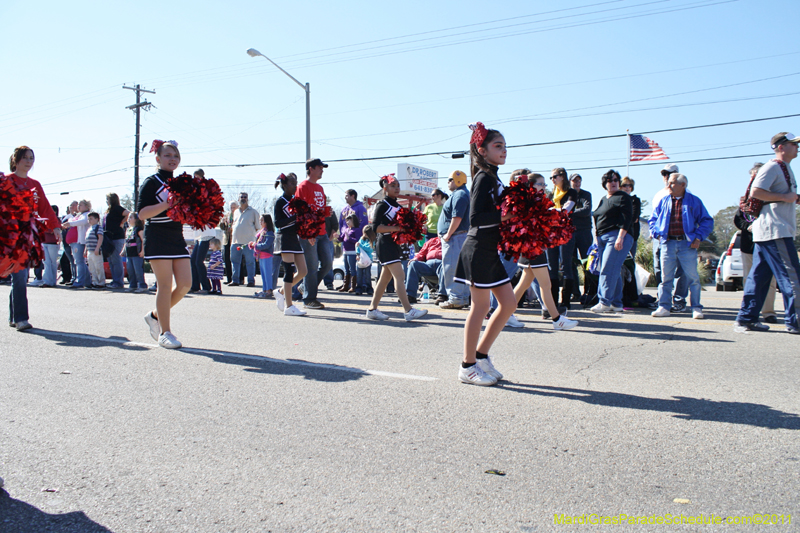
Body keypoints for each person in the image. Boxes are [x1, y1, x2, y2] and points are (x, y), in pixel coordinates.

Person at [454, 123, 518, 386]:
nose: (504, 150)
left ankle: (481, 356)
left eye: (505, 145)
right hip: (478, 247)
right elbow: (476, 217)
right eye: (498, 146)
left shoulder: (494, 175)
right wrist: (507, 216)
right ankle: (467, 366)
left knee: (509, 304)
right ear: (482, 150)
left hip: (489, 248)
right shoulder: (483, 177)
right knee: (480, 306)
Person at [735, 132, 800, 333]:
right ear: (780, 147)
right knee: (792, 277)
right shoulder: (772, 167)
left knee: (759, 278)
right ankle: (796, 321)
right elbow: (756, 191)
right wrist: (786, 197)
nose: (797, 147)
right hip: (775, 230)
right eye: (793, 144)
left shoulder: (784, 167)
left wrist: (791, 198)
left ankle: (747, 318)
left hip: (769, 231)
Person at [138, 140, 192, 349]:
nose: (173, 159)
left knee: (186, 284)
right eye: (168, 155)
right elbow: (142, 213)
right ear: (158, 158)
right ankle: (165, 332)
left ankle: (154, 315)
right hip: (157, 236)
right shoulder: (151, 182)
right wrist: (167, 204)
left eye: (176, 156)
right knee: (165, 285)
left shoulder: (180, 183)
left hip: (176, 237)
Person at [5, 146, 61, 331]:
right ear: (16, 160)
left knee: (20, 276)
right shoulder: (5, 181)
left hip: (25, 237)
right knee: (17, 276)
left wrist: (55, 227)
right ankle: (16, 316)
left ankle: (20, 318)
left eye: (31, 158)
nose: (29, 161)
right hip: (6, 236)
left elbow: (44, 208)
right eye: (25, 158)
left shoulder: (35, 184)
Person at [513, 173, 578, 331]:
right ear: (531, 185)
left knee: (524, 284)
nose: (544, 186)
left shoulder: (532, 200)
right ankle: (557, 319)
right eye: (540, 184)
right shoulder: (530, 201)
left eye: (543, 184)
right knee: (545, 284)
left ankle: (504, 313)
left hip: (531, 247)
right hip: (532, 248)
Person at [649, 173, 714, 319]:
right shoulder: (664, 201)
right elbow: (653, 219)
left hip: (687, 245)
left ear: (682, 185)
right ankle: (664, 306)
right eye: (669, 182)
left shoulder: (694, 201)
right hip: (667, 243)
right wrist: (656, 233)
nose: (669, 185)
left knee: (693, 278)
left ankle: (696, 308)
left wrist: (698, 237)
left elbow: (707, 221)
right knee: (666, 278)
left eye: (672, 183)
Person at [365, 175, 428, 322]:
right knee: (400, 276)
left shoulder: (399, 206)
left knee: (384, 279)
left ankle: (372, 309)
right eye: (393, 185)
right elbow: (375, 228)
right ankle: (408, 310)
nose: (397, 188)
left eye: (398, 185)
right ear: (385, 188)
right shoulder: (382, 205)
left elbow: (404, 227)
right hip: (384, 243)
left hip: (394, 244)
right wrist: (397, 227)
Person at [734, 162, 778, 323]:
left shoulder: (772, 195)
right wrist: (750, 226)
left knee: (770, 280)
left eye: (757, 176)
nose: (753, 179)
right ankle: (750, 311)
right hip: (749, 244)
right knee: (749, 279)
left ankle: (768, 312)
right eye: (752, 176)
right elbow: (738, 220)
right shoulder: (745, 201)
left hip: (768, 242)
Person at [590, 169, 634, 313]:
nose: (613, 183)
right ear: (605, 183)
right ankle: (616, 303)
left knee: (607, 269)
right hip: (602, 238)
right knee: (612, 269)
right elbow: (597, 216)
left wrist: (620, 237)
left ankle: (604, 302)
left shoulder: (623, 197)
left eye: (616, 180)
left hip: (617, 236)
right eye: (610, 180)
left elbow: (627, 219)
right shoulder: (603, 199)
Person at [651, 163, 689, 310]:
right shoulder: (659, 194)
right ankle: (663, 299)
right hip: (661, 238)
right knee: (659, 268)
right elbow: (654, 217)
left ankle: (679, 300)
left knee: (681, 270)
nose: (666, 177)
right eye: (664, 174)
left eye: (670, 174)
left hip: (679, 238)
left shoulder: (687, 194)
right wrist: (654, 232)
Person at [297, 158, 333, 309]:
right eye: (320, 167)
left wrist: (327, 212)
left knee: (327, 264)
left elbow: (318, 209)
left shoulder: (320, 188)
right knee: (311, 267)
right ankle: (309, 299)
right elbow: (300, 212)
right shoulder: (303, 187)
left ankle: (306, 287)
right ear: (311, 169)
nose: (322, 170)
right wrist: (308, 233)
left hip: (322, 232)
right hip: (308, 234)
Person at [273, 173, 308, 317]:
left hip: (294, 238)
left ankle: (281, 291)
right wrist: (295, 217)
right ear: (285, 185)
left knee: (303, 271)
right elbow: (278, 223)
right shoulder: (280, 202)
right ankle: (289, 306)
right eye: (293, 183)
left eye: (296, 183)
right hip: (284, 238)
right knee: (289, 271)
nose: (296, 186)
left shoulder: (295, 200)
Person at [546, 167, 578, 309]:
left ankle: (565, 301)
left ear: (562, 177)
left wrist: (552, 211)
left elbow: (567, 209)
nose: (552, 180)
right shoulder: (551, 195)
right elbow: (544, 211)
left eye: (554, 177)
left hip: (565, 232)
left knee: (566, 265)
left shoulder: (571, 192)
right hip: (551, 233)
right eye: (551, 178)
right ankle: (553, 300)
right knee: (552, 266)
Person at [438, 170, 471, 309]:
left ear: (457, 180)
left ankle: (456, 298)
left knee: (452, 268)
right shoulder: (460, 194)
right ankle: (460, 298)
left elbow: (457, 217)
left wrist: (448, 234)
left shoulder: (460, 194)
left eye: (450, 179)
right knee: (457, 269)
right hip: (458, 236)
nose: (448, 182)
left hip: (455, 237)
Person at [338, 189, 369, 293]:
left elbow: (364, 224)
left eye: (347, 195)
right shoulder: (344, 209)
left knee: (355, 266)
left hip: (355, 243)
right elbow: (341, 224)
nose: (345, 197)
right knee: (346, 266)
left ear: (353, 196)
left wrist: (358, 238)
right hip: (345, 244)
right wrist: (341, 236)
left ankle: (361, 285)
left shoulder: (360, 208)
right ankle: (345, 284)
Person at [569, 173, 592, 301]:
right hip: (570, 232)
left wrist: (569, 212)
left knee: (587, 261)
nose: (577, 183)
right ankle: (575, 293)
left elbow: (586, 210)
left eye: (579, 181)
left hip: (584, 232)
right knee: (571, 263)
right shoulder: (568, 195)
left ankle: (588, 291)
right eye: (574, 181)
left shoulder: (586, 195)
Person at [230, 192, 259, 287]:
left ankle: (251, 281)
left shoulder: (253, 212)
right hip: (235, 242)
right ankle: (235, 280)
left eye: (245, 197)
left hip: (248, 243)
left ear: (247, 199)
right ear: (238, 199)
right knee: (235, 262)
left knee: (250, 262)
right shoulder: (235, 212)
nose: (243, 198)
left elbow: (258, 227)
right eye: (241, 197)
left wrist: (255, 241)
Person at [62, 199, 92, 289]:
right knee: (79, 262)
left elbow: (82, 222)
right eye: (78, 205)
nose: (78, 206)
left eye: (81, 205)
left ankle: (80, 281)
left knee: (79, 262)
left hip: (80, 241)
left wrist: (70, 223)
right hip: (74, 242)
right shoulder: (78, 215)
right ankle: (87, 281)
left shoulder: (86, 215)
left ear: (87, 206)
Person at [405, 235, 443, 303]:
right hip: (428, 265)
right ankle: (410, 295)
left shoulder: (452, 241)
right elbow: (421, 253)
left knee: (445, 266)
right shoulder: (431, 241)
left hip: (442, 264)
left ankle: (442, 296)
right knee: (413, 264)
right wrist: (415, 259)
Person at [104, 192, 130, 289]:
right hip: (109, 237)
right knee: (110, 260)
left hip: (117, 237)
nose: (106, 201)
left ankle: (119, 282)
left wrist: (123, 222)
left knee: (116, 259)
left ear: (112, 199)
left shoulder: (117, 208)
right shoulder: (109, 210)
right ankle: (114, 280)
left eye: (108, 199)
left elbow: (129, 213)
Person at [250, 214, 275, 299]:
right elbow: (259, 242)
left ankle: (268, 291)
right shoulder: (262, 231)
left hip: (267, 256)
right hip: (261, 256)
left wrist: (256, 245)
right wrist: (253, 245)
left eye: (262, 220)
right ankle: (264, 289)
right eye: (260, 220)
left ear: (267, 222)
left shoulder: (269, 232)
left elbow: (267, 245)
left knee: (267, 274)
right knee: (263, 275)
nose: (260, 222)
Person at [123, 211, 147, 292]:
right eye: (128, 217)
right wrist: (123, 251)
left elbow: (143, 240)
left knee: (138, 270)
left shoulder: (139, 229)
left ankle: (142, 285)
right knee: (130, 270)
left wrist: (143, 251)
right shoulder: (128, 230)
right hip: (129, 253)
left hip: (137, 253)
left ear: (136, 219)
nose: (128, 219)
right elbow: (126, 241)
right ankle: (133, 285)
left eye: (131, 217)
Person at [620, 177, 641, 259]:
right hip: (617, 235)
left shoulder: (635, 200)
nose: (627, 187)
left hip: (631, 234)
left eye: (630, 185)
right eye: (624, 185)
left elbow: (634, 217)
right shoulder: (617, 200)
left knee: (630, 260)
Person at [40, 204, 60, 288]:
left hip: (53, 244)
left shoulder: (56, 220)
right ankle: (46, 281)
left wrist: (46, 229)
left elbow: (53, 230)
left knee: (53, 263)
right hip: (44, 242)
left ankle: (53, 281)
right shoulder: (44, 220)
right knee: (46, 262)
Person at [84, 212, 106, 289]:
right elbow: (87, 240)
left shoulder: (98, 227)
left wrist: (97, 248)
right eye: (88, 219)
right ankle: (94, 281)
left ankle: (101, 282)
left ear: (97, 219)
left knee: (98, 267)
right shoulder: (89, 229)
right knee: (92, 268)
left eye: (91, 219)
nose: (89, 220)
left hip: (96, 251)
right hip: (89, 251)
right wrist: (85, 250)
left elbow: (100, 237)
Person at [59, 200, 78, 285]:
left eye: (74, 205)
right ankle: (67, 277)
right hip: (65, 242)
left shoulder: (77, 217)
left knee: (74, 261)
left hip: (74, 242)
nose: (72, 207)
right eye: (71, 205)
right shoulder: (65, 217)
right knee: (66, 261)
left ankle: (75, 278)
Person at [219, 201, 237, 284]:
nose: (232, 209)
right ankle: (229, 279)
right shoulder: (227, 215)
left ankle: (238, 279)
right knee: (226, 259)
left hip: (235, 240)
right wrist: (222, 222)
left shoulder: (239, 215)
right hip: (226, 240)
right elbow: (222, 227)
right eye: (231, 207)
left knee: (236, 260)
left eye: (234, 207)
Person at [354, 228, 375, 296]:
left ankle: (369, 288)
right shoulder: (361, 238)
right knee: (359, 275)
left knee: (367, 275)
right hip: (360, 259)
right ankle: (359, 288)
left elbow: (369, 249)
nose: (364, 235)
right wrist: (357, 254)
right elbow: (357, 248)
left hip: (368, 260)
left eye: (366, 233)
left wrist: (360, 245)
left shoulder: (372, 240)